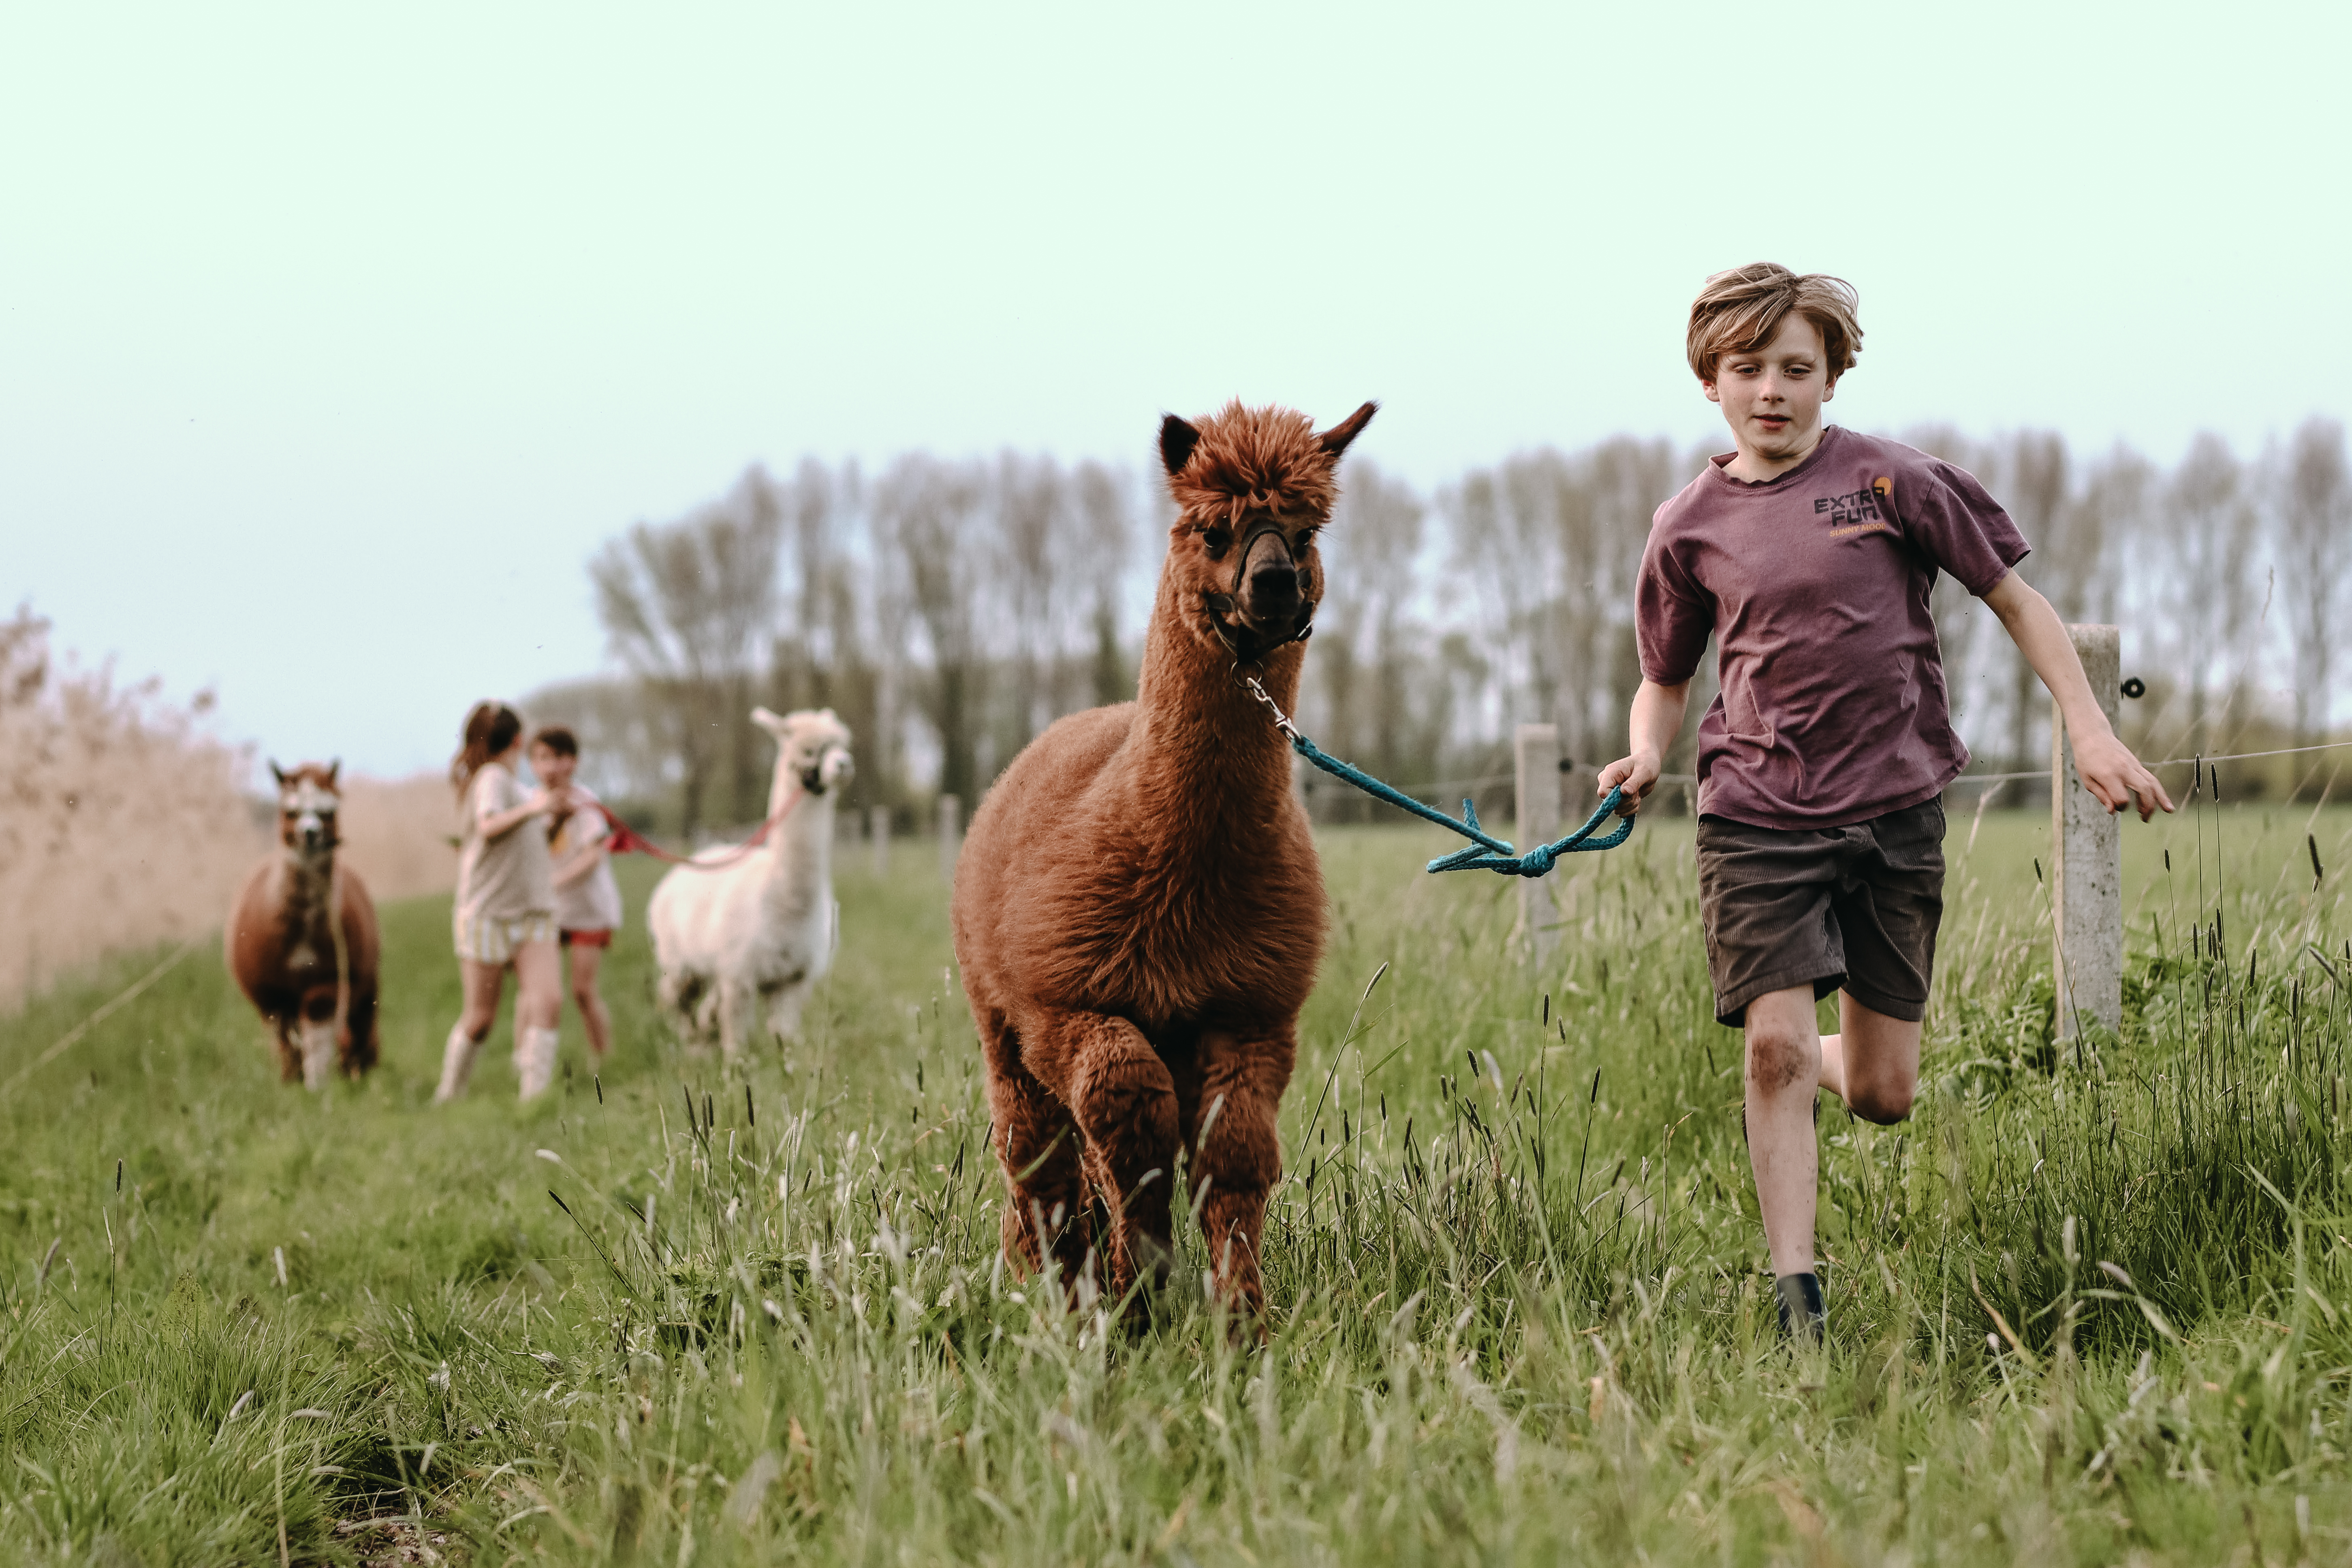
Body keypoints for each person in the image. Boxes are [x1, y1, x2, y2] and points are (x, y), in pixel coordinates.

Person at [1597, 263, 2174, 1341]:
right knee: (1769, 1047)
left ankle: (1828, 1060)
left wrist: (2088, 726)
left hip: (1894, 811)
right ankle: (1795, 1295)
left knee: (1881, 1091)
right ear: (1708, 380)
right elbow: (1665, 677)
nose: (1770, 388)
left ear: (1829, 374)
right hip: (1754, 813)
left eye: (1794, 367)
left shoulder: (1890, 481)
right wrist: (1640, 755)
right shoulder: (1685, 524)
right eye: (1746, 368)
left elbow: (2013, 598)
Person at [437, 701, 563, 1102]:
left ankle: (534, 1100)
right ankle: (449, 1094)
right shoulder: (492, 777)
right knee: (480, 1020)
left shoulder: (514, 786)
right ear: (518, 740)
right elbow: (491, 826)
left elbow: (525, 840)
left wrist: (554, 816)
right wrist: (536, 807)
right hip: (487, 915)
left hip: (533, 912)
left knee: (547, 1001)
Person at [528, 726, 620, 1059]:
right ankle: (525, 1060)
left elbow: (593, 856)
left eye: (558, 758)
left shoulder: (586, 803)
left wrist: (554, 883)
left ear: (574, 763)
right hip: (546, 913)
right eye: (542, 758)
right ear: (532, 764)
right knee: (534, 992)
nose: (551, 767)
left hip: (588, 911)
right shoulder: (529, 804)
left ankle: (603, 1060)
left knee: (583, 991)